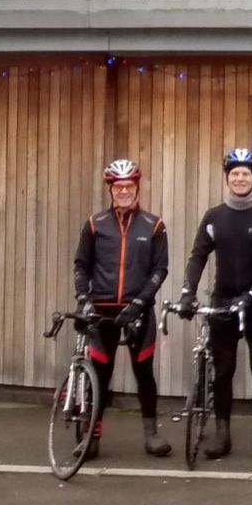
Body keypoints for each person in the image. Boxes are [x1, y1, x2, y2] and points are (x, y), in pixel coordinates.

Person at [180, 148, 252, 460]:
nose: (240, 179)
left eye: (246, 174)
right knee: (224, 370)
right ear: (227, 178)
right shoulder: (214, 217)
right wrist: (188, 292)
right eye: (235, 174)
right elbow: (198, 256)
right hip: (223, 301)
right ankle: (222, 433)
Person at [72, 159, 172, 459]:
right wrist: (83, 298)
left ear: (137, 187)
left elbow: (160, 270)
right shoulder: (94, 224)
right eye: (119, 187)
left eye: (129, 186)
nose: (124, 191)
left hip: (138, 311)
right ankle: (91, 437)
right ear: (111, 190)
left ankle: (152, 434)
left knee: (144, 372)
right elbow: (81, 265)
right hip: (102, 311)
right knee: (100, 375)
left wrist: (140, 302)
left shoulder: (154, 225)